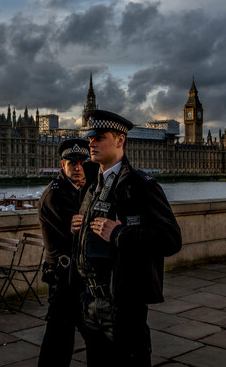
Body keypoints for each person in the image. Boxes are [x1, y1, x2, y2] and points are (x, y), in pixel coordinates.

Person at [71, 110, 182, 367]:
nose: (91, 143)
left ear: (120, 141)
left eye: (99, 137)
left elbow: (170, 238)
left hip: (122, 305)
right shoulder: (92, 186)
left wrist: (120, 234)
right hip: (91, 302)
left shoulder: (141, 185)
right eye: (90, 138)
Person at [38, 138, 97, 367]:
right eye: (71, 162)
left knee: (78, 338)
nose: (77, 167)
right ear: (62, 165)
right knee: (59, 343)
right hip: (63, 279)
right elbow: (81, 232)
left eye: (82, 162)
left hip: (79, 277)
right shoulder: (55, 194)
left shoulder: (81, 189)